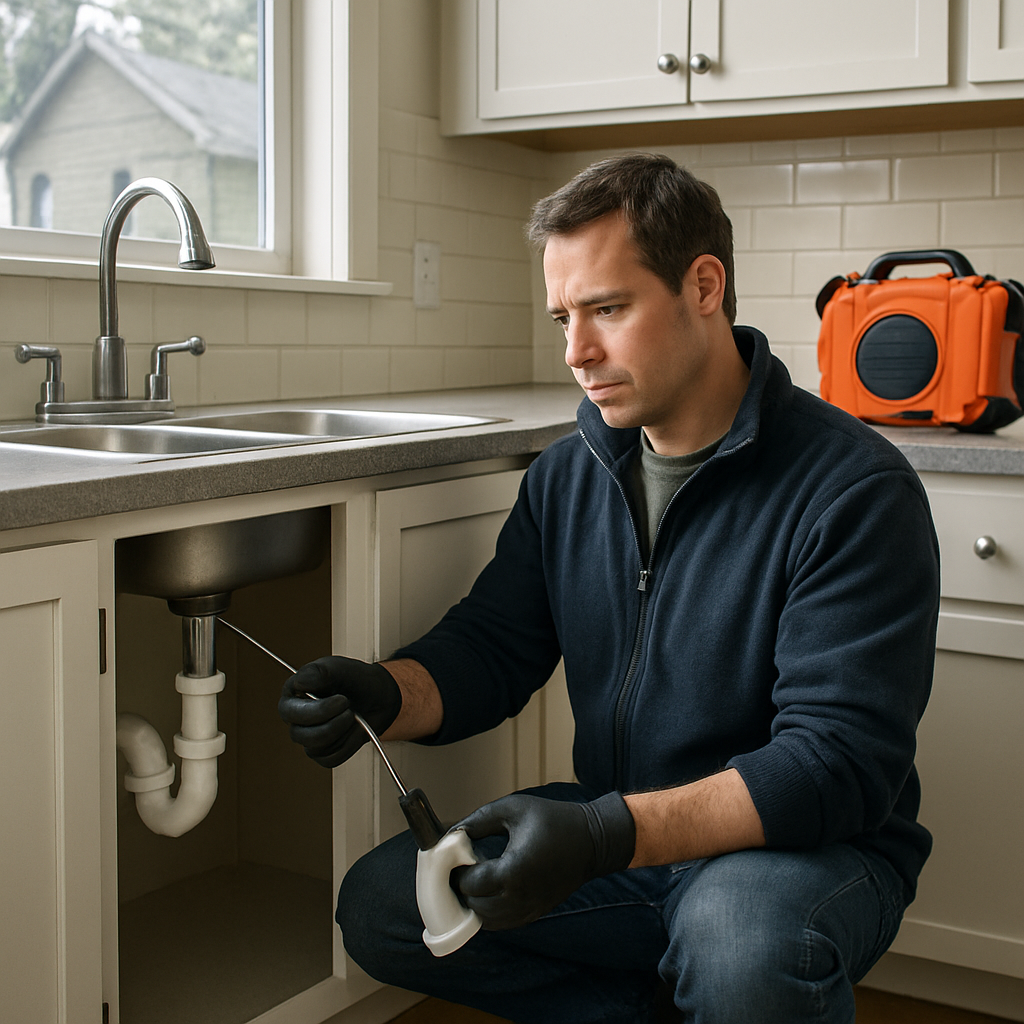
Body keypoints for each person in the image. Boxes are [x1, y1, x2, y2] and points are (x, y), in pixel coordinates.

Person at [278, 153, 940, 1024]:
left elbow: (834, 767)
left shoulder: (852, 491)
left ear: (704, 285)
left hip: (802, 851)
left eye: (607, 309)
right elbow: (494, 646)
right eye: (562, 317)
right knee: (385, 905)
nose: (575, 352)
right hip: (626, 827)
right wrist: (382, 693)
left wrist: (601, 836)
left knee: (739, 943)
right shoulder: (570, 474)